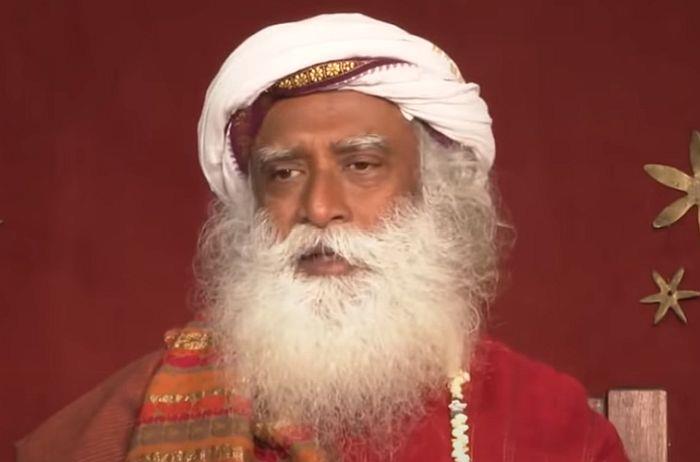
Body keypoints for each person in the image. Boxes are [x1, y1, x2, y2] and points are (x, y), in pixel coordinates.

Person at [17, 13, 628, 462]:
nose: (319, 207)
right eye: (284, 173)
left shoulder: (549, 421)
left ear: (435, 193)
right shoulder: (134, 412)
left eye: (361, 165)